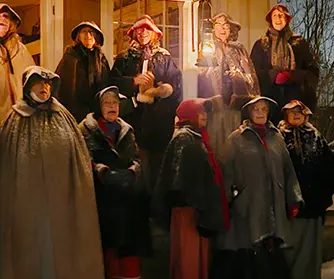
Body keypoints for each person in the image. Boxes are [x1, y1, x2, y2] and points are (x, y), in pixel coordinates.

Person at [0, 66, 104, 279]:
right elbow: (10, 164)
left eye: (47, 85)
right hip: (28, 201)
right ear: (27, 87)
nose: (44, 90)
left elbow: (77, 155)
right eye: (38, 85)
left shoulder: (62, 115)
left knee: (59, 246)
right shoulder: (16, 118)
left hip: (60, 199)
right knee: (31, 248)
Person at [211, 96, 303, 279]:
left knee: (272, 241)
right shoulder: (236, 138)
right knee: (248, 242)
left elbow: (288, 170)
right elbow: (225, 171)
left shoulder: (276, 137)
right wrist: (229, 198)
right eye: (256, 109)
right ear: (249, 113)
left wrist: (293, 197)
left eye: (264, 109)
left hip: (274, 201)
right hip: (248, 202)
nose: (260, 113)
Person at [79, 86, 152, 279]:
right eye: (108, 103)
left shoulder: (126, 129)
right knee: (107, 241)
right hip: (101, 196)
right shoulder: (87, 129)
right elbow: (84, 156)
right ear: (99, 106)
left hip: (126, 194)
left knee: (128, 239)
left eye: (115, 103)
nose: (112, 107)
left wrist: (133, 170)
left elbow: (136, 156)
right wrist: (101, 171)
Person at [153, 98, 229, 279]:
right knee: (187, 250)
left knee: (198, 249)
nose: (204, 115)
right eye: (200, 111)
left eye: (205, 112)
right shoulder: (184, 138)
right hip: (187, 206)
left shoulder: (197, 137)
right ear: (189, 114)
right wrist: (191, 199)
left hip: (197, 204)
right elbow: (180, 174)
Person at [111, 15, 182, 198]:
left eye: (147, 29)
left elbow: (175, 85)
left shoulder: (164, 58)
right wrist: (133, 82)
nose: (143, 33)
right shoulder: (124, 58)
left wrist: (158, 91)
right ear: (134, 33)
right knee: (136, 169)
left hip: (160, 125)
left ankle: (159, 210)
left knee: (160, 170)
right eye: (140, 29)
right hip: (132, 122)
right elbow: (112, 84)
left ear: (154, 34)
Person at [278, 100, 334, 279]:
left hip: (313, 202)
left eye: (300, 112)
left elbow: (329, 167)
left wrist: (324, 195)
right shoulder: (279, 138)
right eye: (292, 112)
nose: (296, 115)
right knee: (289, 243)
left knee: (311, 246)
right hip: (289, 203)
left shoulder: (316, 137)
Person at [197, 12, 260, 155]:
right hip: (215, 106)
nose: (222, 29)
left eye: (226, 25)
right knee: (215, 144)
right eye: (218, 25)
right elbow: (201, 74)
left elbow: (251, 77)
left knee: (234, 143)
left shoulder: (239, 49)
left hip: (235, 106)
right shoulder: (207, 47)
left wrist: (238, 75)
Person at [250, 4, 319, 124]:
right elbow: (252, 72)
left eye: (281, 16)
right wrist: (271, 75)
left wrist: (294, 75)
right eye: (275, 16)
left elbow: (312, 71)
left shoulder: (298, 43)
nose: (278, 19)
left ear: (287, 19)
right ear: (270, 20)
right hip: (269, 97)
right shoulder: (262, 44)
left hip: (294, 97)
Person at [55, 21, 111, 122]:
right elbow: (61, 86)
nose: (88, 35)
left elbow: (106, 83)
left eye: (91, 32)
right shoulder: (70, 57)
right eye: (84, 32)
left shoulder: (101, 58)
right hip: (75, 112)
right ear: (78, 36)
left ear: (96, 37)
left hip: (97, 112)